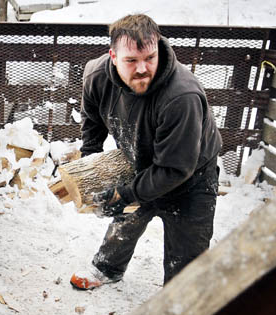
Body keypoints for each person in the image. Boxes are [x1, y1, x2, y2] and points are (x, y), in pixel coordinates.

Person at [69, 14, 221, 290]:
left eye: (149, 58)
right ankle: (107, 267)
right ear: (113, 56)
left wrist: (125, 193)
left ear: (158, 48)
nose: (142, 69)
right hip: (140, 162)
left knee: (186, 268)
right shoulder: (96, 76)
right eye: (131, 60)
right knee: (124, 222)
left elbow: (175, 169)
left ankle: (180, 298)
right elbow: (91, 119)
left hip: (192, 177)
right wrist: (90, 157)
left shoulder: (181, 96)